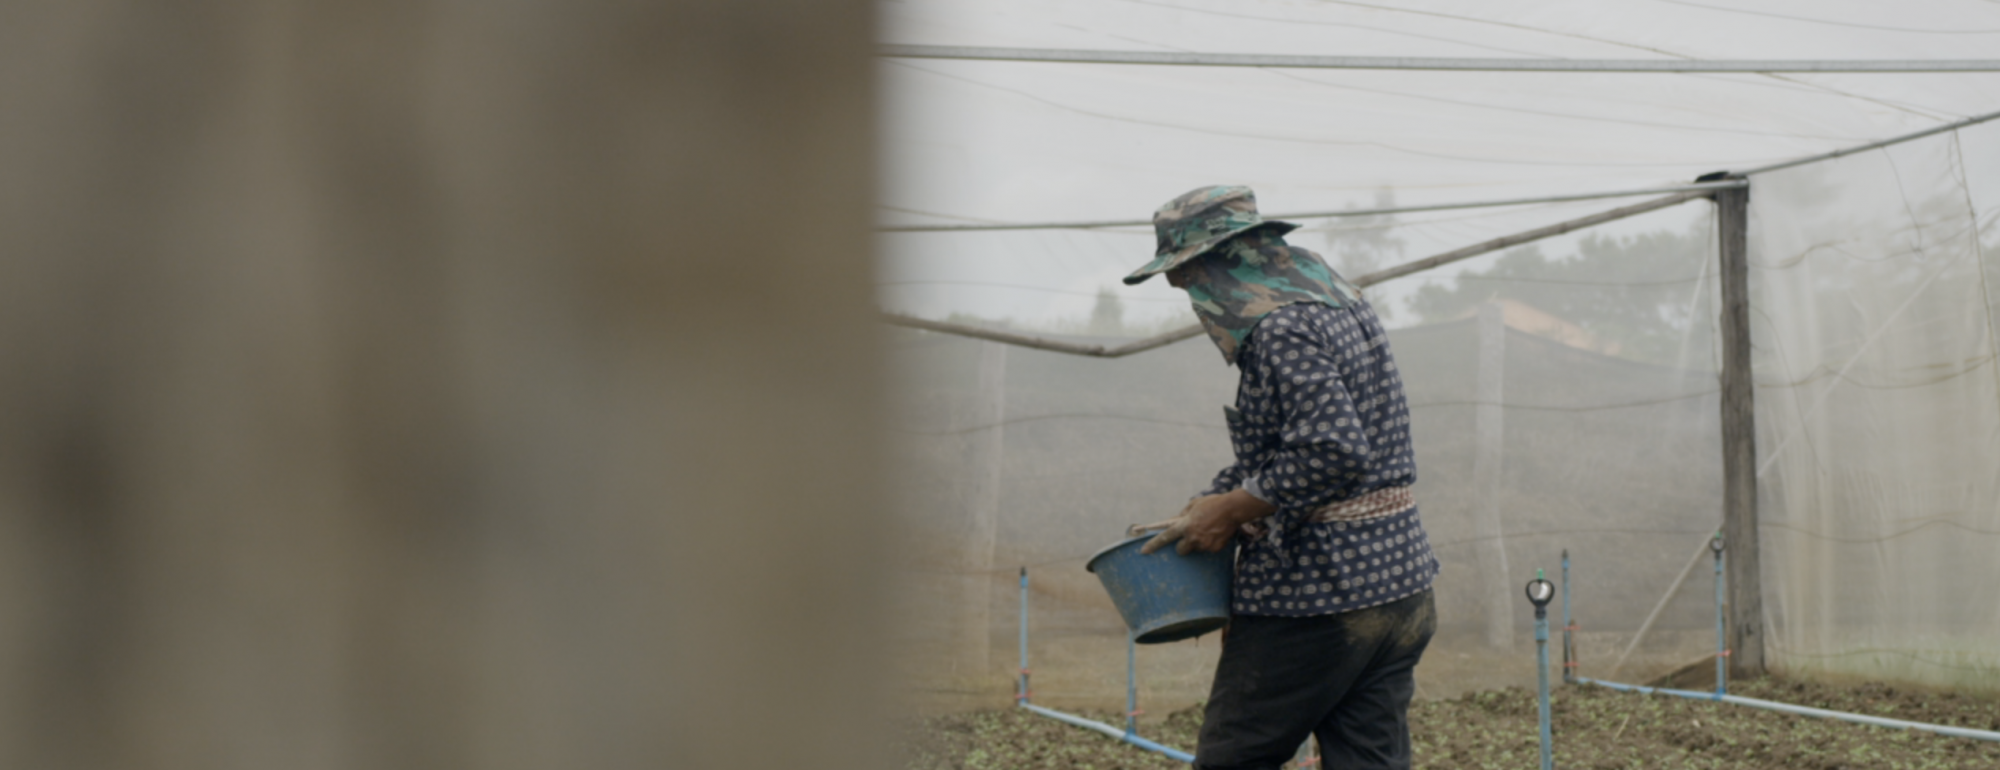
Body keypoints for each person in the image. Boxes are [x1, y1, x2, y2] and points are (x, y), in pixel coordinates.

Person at [1128, 185, 1438, 770]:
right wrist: (1225, 493)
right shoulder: (1338, 303)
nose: (1182, 291)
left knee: (1234, 756)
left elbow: (1332, 449)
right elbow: (1307, 441)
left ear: (1225, 263)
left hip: (1323, 597)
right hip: (1400, 586)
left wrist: (1231, 510)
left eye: (1187, 275)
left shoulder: (1280, 330)